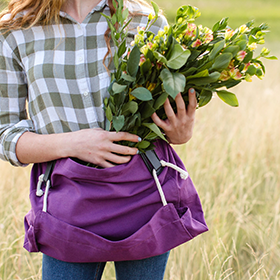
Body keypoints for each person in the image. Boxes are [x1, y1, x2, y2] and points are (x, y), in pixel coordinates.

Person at [0, 0, 198, 278]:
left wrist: (181, 132)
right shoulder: (16, 29)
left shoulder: (145, 20)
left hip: (143, 199)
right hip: (68, 206)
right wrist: (73, 143)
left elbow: (169, 119)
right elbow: (4, 134)